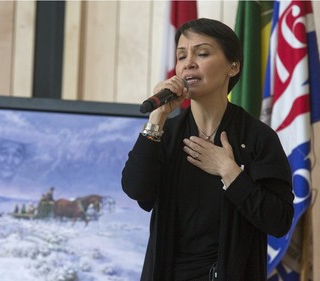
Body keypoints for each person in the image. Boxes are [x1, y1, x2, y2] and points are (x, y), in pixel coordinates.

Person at [121, 18, 294, 281]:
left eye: (202, 53)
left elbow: (278, 221)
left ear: (233, 66)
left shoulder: (259, 138)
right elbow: (137, 190)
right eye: (181, 56)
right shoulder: (165, 133)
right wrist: (157, 118)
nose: (188, 62)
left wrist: (229, 172)